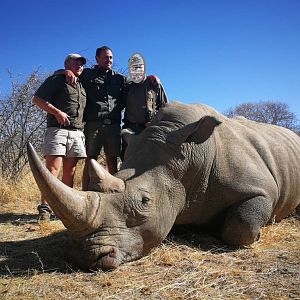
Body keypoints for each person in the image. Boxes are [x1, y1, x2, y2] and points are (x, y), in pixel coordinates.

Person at [62, 46, 126, 190]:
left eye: (110, 57)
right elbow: (72, 73)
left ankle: (114, 195)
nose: (108, 60)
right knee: (91, 160)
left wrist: (152, 78)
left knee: (112, 161)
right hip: (93, 125)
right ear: (97, 58)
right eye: (105, 57)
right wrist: (66, 71)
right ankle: (85, 193)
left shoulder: (120, 78)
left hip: (114, 126)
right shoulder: (88, 74)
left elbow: (136, 83)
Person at [32, 53, 87, 221]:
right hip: (58, 130)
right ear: (66, 63)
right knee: (52, 170)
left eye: (81, 63)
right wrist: (57, 112)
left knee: (70, 172)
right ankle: (45, 209)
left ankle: (63, 209)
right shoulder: (56, 80)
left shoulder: (82, 86)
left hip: (77, 132)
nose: (79, 65)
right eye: (75, 62)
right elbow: (37, 99)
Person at [121, 53, 168, 161]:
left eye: (139, 66)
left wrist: (155, 121)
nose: (137, 70)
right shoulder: (126, 87)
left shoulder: (154, 84)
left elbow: (165, 108)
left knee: (151, 161)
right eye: (133, 67)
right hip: (130, 130)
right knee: (127, 159)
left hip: (150, 128)